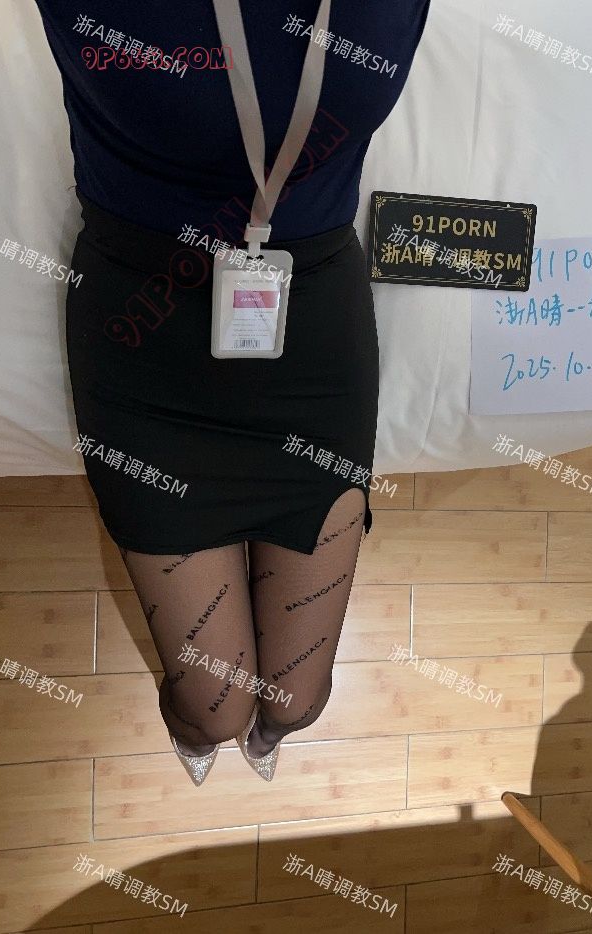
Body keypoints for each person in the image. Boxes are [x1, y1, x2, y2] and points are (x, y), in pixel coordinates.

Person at [32, 0, 431, 784]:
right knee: (213, 709)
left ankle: (269, 730)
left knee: (295, 702)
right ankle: (196, 729)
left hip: (306, 323)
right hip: (146, 328)